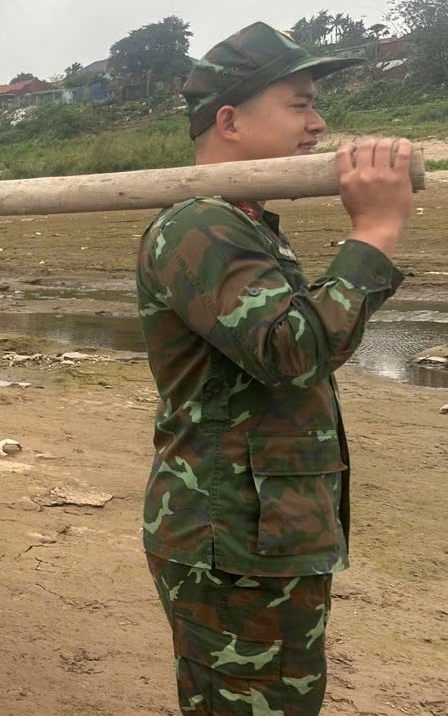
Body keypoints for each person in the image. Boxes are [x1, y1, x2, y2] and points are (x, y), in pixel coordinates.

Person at [135, 22, 414, 715]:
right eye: (299, 104)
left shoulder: (242, 221)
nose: (319, 124)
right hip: (230, 542)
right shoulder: (198, 224)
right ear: (229, 119)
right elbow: (290, 351)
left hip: (261, 538)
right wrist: (373, 234)